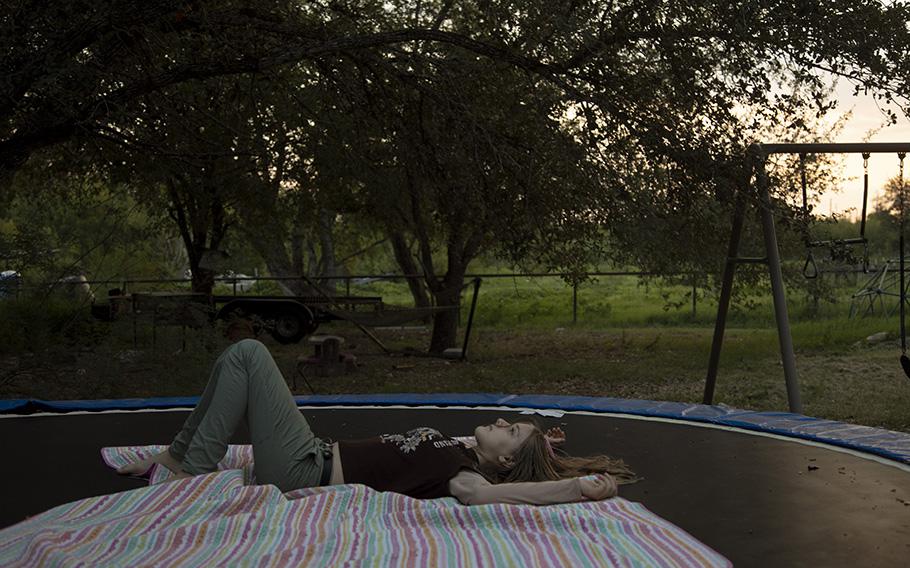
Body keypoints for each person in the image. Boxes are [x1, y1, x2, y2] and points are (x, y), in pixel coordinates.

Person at [117, 325, 637, 505]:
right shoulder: (461, 448)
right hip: (312, 451)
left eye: (512, 430)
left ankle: (195, 465)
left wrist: (568, 488)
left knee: (252, 354)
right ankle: (181, 452)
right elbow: (501, 451)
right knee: (239, 356)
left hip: (302, 467)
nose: (502, 422)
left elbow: (496, 494)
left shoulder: (465, 476)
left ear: (502, 461)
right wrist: (545, 444)